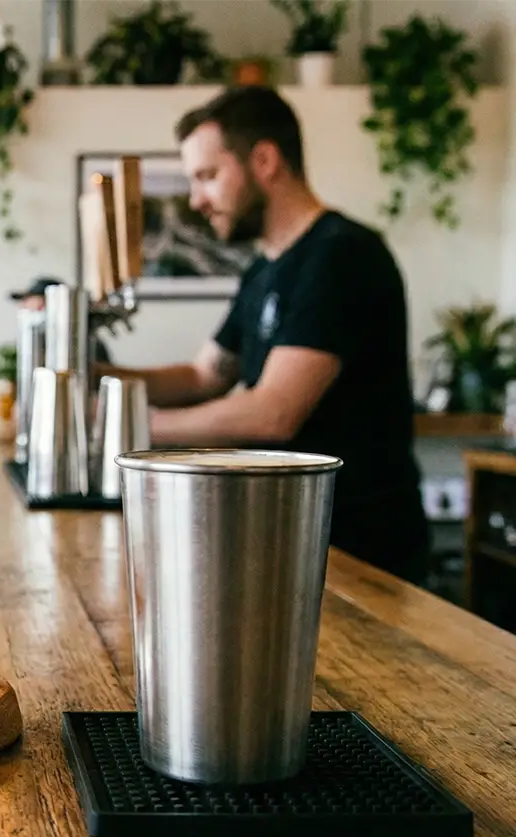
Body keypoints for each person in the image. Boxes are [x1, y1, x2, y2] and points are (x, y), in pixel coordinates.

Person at [99, 86, 428, 583]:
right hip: (301, 540)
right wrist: (96, 378)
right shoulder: (263, 270)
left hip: (362, 555)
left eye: (208, 177)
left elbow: (273, 412)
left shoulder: (341, 256)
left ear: (266, 160)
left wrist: (126, 427)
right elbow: (204, 374)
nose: (197, 200)